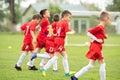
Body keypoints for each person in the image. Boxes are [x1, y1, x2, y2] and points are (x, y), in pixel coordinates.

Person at [71, 11, 110, 80]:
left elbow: (99, 35)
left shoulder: (101, 28)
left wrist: (104, 36)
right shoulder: (100, 27)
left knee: (90, 65)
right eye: (109, 18)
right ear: (105, 19)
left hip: (95, 47)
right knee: (103, 64)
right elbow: (88, 33)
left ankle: (75, 76)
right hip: (96, 47)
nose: (109, 20)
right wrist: (96, 40)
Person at [39, 10, 74, 77]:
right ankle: (44, 68)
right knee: (55, 57)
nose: (70, 19)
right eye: (69, 17)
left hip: (57, 39)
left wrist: (53, 34)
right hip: (60, 40)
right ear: (65, 16)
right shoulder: (65, 23)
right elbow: (67, 32)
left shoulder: (58, 22)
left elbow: (49, 27)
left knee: (65, 56)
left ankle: (67, 73)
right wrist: (72, 32)